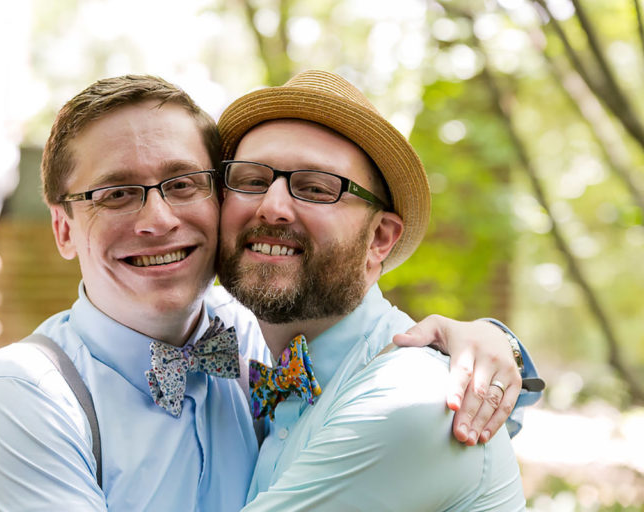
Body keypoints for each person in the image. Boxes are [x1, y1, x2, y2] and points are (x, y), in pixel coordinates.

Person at [0, 74, 539, 511]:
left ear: (380, 238)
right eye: (117, 193)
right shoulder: (21, 398)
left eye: (181, 183)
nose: (157, 220)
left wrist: (486, 345)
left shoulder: (409, 395)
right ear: (63, 228)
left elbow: (425, 418)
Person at [216, 70, 539, 510]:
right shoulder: (236, 353)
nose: (271, 206)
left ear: (379, 239)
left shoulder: (413, 399)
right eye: (251, 181)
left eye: (316, 188)